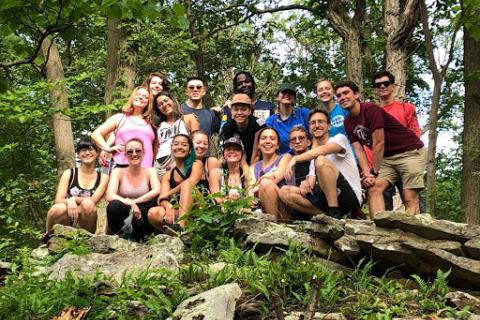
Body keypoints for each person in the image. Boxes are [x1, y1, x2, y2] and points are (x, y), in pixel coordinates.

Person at [335, 81, 425, 217]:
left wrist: (374, 172)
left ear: (356, 94)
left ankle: (414, 235)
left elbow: (379, 142)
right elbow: (359, 149)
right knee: (373, 188)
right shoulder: (348, 121)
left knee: (409, 198)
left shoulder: (370, 109)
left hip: (409, 152)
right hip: (387, 158)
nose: (342, 97)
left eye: (346, 93)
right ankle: (377, 231)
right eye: (339, 95)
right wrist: (366, 173)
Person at [284, 109, 362, 219]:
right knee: (285, 192)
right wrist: (305, 184)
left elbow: (323, 150)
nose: (317, 125)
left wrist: (295, 159)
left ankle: (334, 212)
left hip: (349, 197)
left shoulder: (339, 139)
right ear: (310, 129)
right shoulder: (313, 155)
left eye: (320, 121)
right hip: (327, 198)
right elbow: (311, 182)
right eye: (313, 123)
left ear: (329, 126)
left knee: (320, 160)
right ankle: (327, 217)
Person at [372, 70, 422, 211]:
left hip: (406, 157)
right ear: (375, 89)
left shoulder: (407, 108)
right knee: (381, 196)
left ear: (393, 86)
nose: (382, 87)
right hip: (384, 161)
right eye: (378, 85)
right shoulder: (372, 112)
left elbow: (414, 133)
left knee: (410, 199)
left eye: (386, 83)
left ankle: (418, 231)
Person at [44, 138, 109, 237]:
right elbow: (58, 199)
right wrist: (70, 202)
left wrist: (73, 199)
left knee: (87, 204)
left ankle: (84, 239)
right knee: (58, 208)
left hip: (88, 219)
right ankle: (48, 236)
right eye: (83, 150)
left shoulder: (103, 177)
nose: (87, 153)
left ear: (97, 153)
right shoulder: (70, 173)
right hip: (68, 217)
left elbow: (93, 200)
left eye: (91, 149)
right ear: (78, 154)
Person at [106, 138, 160, 240]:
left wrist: (134, 202)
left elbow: (157, 190)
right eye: (130, 151)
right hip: (125, 215)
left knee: (159, 199)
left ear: (143, 153)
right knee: (114, 206)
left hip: (143, 216)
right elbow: (110, 195)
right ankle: (121, 236)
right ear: (125, 155)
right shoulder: (118, 171)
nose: (134, 154)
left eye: (138, 151)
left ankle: (151, 236)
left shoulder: (150, 171)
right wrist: (130, 204)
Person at [148, 134, 204, 231]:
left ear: (190, 150)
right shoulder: (168, 174)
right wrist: (168, 205)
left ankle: (181, 227)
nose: (179, 147)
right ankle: (173, 232)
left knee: (187, 184)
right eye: (176, 144)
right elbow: (162, 199)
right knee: (154, 212)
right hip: (181, 210)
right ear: (171, 148)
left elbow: (191, 182)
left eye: (184, 145)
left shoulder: (196, 164)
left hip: (199, 208)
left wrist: (169, 193)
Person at [92, 86, 156, 170]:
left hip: (145, 169)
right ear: (132, 97)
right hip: (121, 166)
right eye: (138, 94)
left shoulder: (152, 122)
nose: (140, 97)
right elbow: (96, 134)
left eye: (145, 97)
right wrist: (107, 148)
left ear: (148, 102)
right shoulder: (120, 118)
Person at [153, 91, 200, 177]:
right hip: (159, 165)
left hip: (180, 161)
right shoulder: (159, 126)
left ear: (173, 100)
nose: (164, 104)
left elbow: (197, 143)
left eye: (166, 100)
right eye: (160, 104)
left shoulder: (188, 118)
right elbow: (157, 147)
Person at [251, 127, 291, 221]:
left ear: (278, 145)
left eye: (272, 139)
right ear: (258, 144)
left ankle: (272, 227)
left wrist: (257, 187)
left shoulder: (285, 158)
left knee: (266, 183)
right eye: (263, 138)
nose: (268, 141)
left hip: (284, 211)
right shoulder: (253, 167)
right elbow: (250, 192)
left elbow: (275, 177)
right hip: (260, 209)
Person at [265, 84, 310, 154]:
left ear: (294, 99)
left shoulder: (304, 113)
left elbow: (315, 136)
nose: (287, 95)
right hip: (283, 160)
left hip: (306, 156)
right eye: (284, 92)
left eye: (291, 93)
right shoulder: (271, 121)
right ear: (277, 97)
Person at [221, 93, 264, 164]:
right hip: (236, 160)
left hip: (257, 162)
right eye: (236, 109)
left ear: (249, 111)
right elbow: (229, 151)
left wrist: (250, 172)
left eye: (243, 109)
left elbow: (257, 154)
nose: (239, 112)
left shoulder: (259, 125)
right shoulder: (227, 127)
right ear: (231, 111)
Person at [209, 137, 252, 203]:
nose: (232, 151)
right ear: (223, 154)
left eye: (236, 149)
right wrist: (230, 200)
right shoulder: (215, 173)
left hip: (245, 211)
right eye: (228, 149)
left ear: (242, 154)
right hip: (222, 211)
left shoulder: (248, 173)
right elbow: (216, 199)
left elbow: (250, 200)